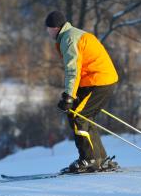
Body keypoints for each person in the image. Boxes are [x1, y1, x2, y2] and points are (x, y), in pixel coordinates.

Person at [45, 10, 119, 173]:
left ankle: (89, 159)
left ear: (55, 28)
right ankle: (100, 159)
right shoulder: (73, 34)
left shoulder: (68, 39)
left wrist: (69, 96)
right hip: (99, 79)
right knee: (83, 116)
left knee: (78, 115)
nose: (47, 32)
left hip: (99, 80)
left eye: (48, 29)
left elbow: (73, 69)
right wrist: (72, 94)